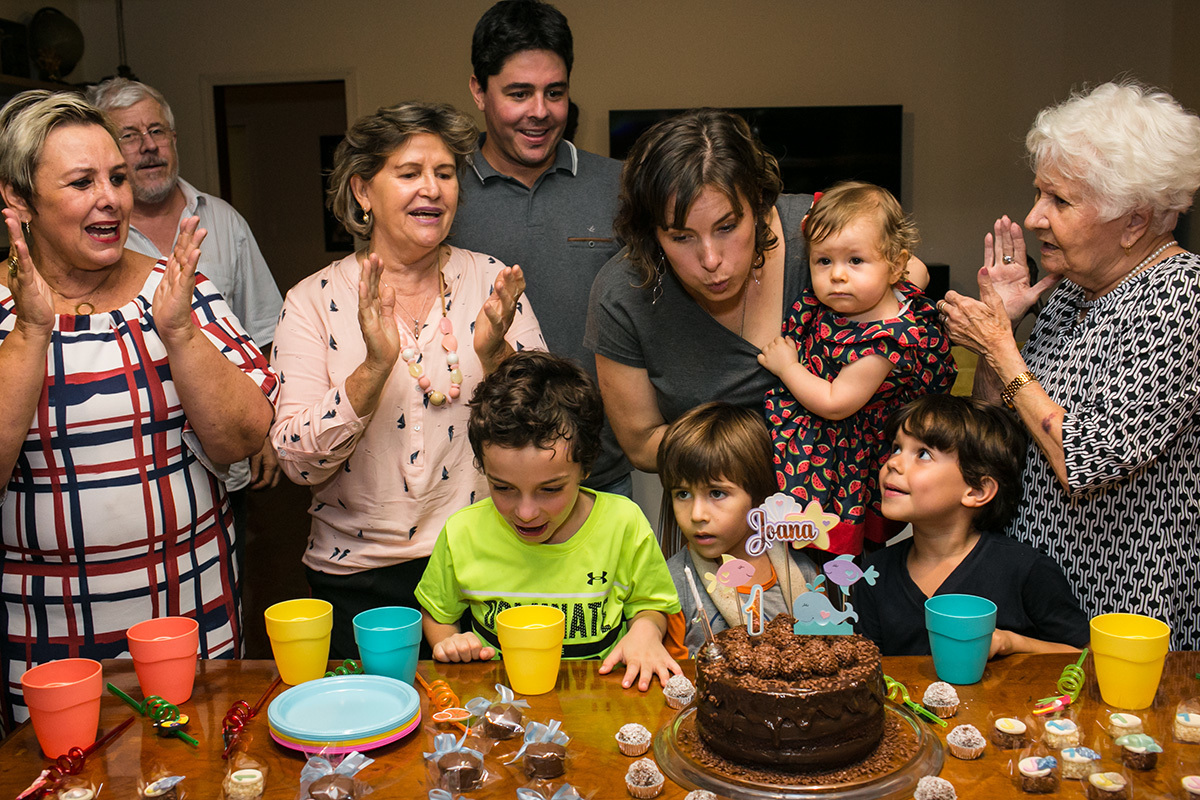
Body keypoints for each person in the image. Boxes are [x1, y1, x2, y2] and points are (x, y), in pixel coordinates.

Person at [0, 91, 276, 724]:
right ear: (17, 199)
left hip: (191, 617)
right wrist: (29, 335)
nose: (112, 198)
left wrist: (178, 331)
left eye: (117, 178)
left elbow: (243, 436)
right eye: (82, 182)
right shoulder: (5, 312)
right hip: (48, 640)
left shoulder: (175, 285)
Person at [270, 101, 544, 660]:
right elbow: (297, 462)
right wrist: (373, 368)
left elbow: (550, 430)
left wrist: (497, 356)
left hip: (484, 563)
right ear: (363, 192)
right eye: (409, 173)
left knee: (495, 736)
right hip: (358, 581)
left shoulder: (492, 280)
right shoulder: (311, 302)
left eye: (445, 174)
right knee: (367, 740)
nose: (433, 189)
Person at [939, 81, 1200, 649]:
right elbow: (993, 430)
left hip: (1118, 599)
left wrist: (1003, 351)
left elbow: (1084, 460)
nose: (1034, 217)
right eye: (1039, 193)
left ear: (1134, 222)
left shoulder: (1183, 299)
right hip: (1029, 586)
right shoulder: (1070, 293)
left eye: (1059, 200)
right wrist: (999, 334)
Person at [585, 109, 930, 473]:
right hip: (712, 508)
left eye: (727, 227)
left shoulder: (819, 236)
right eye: (681, 237)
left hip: (854, 498)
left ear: (759, 205)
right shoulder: (622, 294)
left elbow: (914, 275)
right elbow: (641, 445)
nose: (711, 259)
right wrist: (775, 444)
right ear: (651, 233)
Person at [414, 351, 683, 691]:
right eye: (503, 488)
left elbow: (651, 605)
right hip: (501, 710)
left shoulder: (624, 523)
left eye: (550, 489)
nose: (526, 512)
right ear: (483, 469)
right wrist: (448, 642)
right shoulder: (462, 532)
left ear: (585, 467)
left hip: (602, 709)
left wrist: (645, 633)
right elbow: (438, 613)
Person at [451, 0, 631, 496]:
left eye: (555, 92)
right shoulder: (444, 195)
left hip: (600, 473)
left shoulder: (621, 186)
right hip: (481, 476)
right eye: (518, 93)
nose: (540, 111)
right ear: (478, 91)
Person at [87, 78, 284, 502]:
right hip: (126, 468)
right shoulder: (92, 235)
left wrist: (266, 427)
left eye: (157, 131)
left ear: (173, 139)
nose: (149, 146)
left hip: (223, 461)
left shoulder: (224, 221)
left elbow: (264, 332)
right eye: (129, 135)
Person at [758, 182, 956, 555]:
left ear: (893, 266)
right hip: (836, 410)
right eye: (824, 261)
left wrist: (787, 368)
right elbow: (918, 268)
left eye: (855, 261)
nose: (837, 275)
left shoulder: (882, 344)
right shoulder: (888, 284)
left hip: (843, 443)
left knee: (824, 540)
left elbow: (835, 402)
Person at [854, 395, 1089, 657]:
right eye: (896, 448)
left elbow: (1084, 655)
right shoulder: (874, 573)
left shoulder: (1025, 570)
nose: (892, 463)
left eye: (923, 454)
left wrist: (1012, 643)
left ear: (977, 490)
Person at [659, 402, 817, 657]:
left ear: (758, 495)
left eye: (717, 493)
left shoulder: (804, 573)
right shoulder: (672, 584)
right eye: (683, 493)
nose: (697, 515)